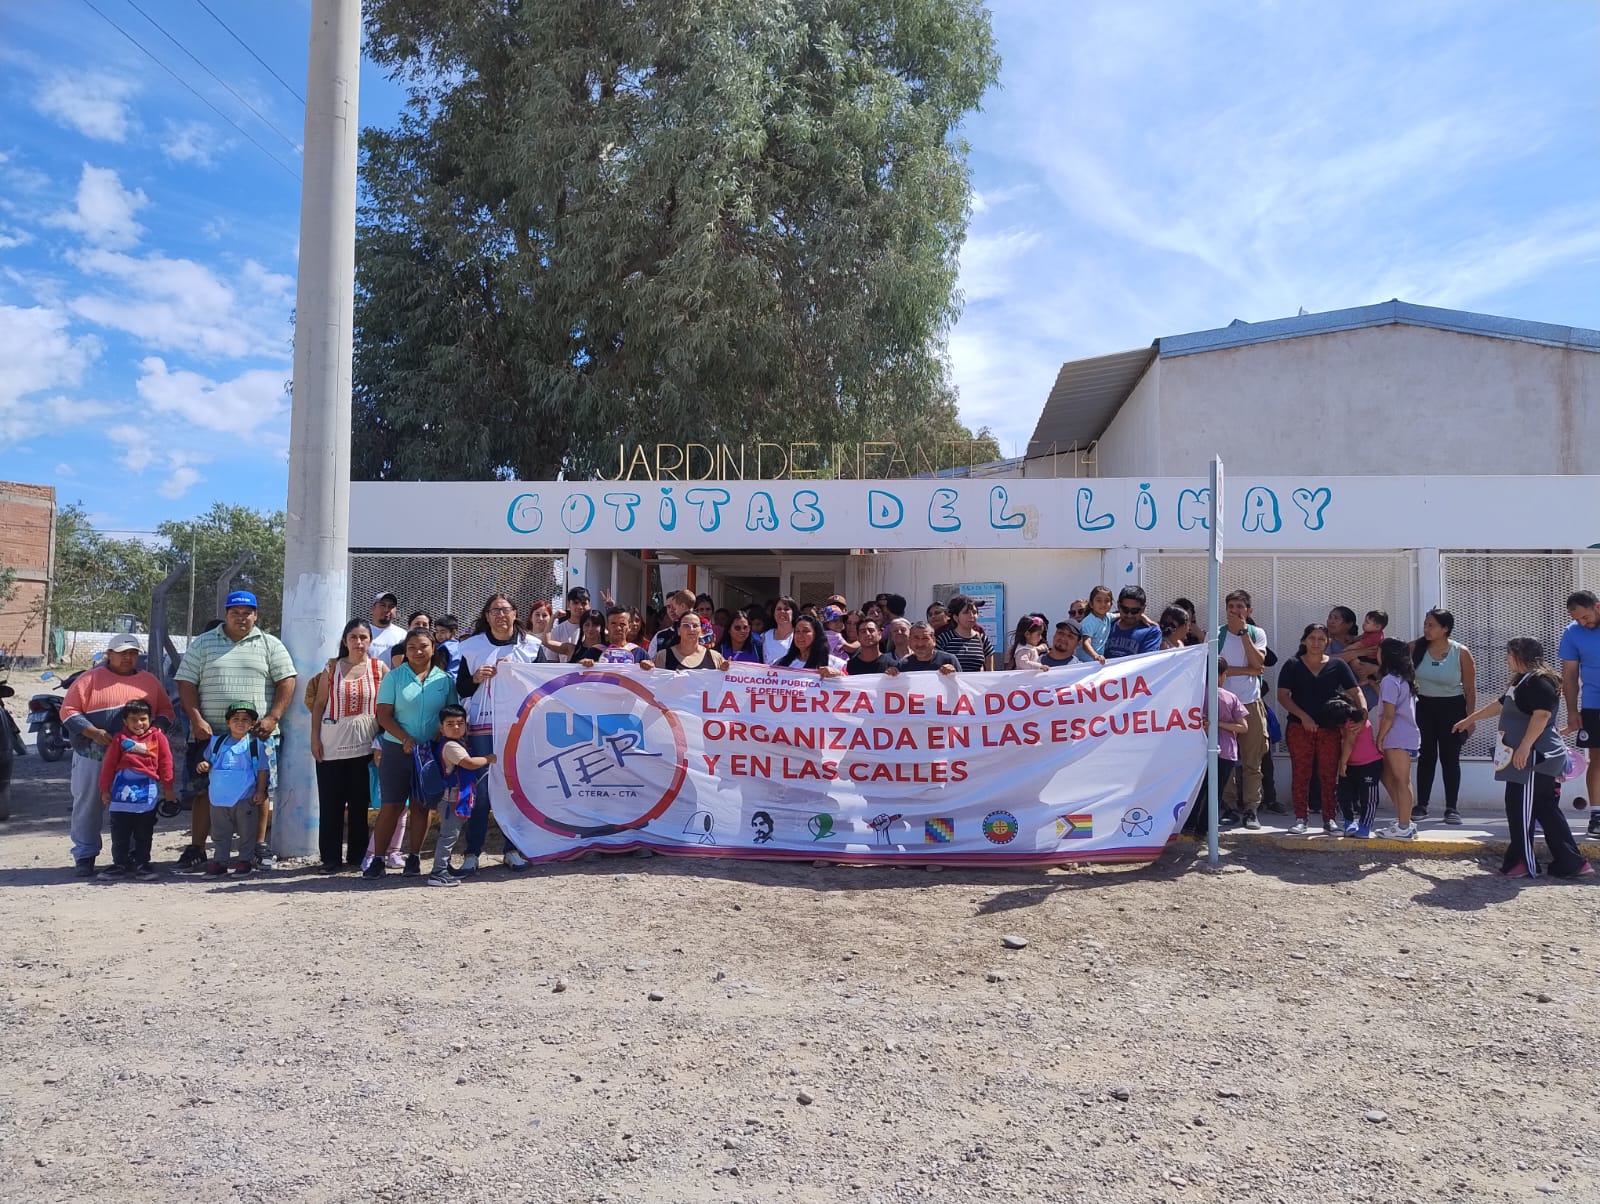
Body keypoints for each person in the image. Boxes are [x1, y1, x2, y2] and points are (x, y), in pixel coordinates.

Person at [174, 590, 296, 871]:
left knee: (259, 790)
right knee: (204, 790)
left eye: (247, 613)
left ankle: (257, 846)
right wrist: (195, 719)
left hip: (257, 738)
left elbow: (287, 680)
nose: (241, 618)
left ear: (256, 615)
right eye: (235, 613)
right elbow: (186, 682)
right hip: (211, 735)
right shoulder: (204, 643)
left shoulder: (270, 644)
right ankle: (197, 848)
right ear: (226, 614)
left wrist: (273, 717)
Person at [1458, 638, 1590, 878]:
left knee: (1521, 809)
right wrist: (1470, 719)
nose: (1506, 659)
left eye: (1509, 654)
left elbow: (1541, 715)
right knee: (1544, 808)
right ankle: (1572, 862)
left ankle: (1522, 862)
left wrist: (1524, 747)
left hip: (1534, 759)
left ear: (1521, 655)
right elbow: (1500, 705)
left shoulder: (1538, 682)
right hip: (1533, 758)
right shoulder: (1522, 681)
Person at [59, 633, 176, 877]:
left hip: (136, 760)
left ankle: (131, 856)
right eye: (122, 653)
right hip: (93, 753)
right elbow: (68, 711)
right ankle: (85, 854)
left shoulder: (149, 681)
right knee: (89, 803)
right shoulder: (88, 679)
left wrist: (157, 731)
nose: (128, 658)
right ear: (109, 654)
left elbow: (166, 710)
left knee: (135, 806)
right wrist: (92, 731)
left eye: (133, 653)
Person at [454, 594, 550, 874]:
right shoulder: (471, 647)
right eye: (494, 610)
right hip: (483, 724)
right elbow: (461, 688)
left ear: (515, 613)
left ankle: (512, 849)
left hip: (518, 726)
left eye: (505, 610)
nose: (500, 615)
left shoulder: (531, 646)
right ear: (486, 616)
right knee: (482, 791)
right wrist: (475, 678)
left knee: (514, 788)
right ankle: (472, 852)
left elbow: (545, 685)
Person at [368, 627, 458, 880]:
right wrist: (405, 738)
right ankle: (377, 859)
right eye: (411, 647)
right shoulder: (394, 678)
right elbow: (383, 715)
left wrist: (438, 742)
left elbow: (450, 716)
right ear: (405, 651)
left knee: (422, 806)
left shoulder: (444, 680)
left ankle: (415, 858)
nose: (418, 652)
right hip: (397, 749)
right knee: (391, 806)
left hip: (429, 753)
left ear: (433, 648)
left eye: (423, 647)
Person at [307, 618, 386, 873]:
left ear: (370, 641)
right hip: (331, 745)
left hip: (364, 747)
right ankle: (330, 858)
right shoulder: (332, 668)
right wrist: (314, 737)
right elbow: (319, 705)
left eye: (363, 637)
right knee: (331, 804)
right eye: (353, 637)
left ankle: (356, 857)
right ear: (345, 641)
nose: (359, 642)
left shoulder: (379, 668)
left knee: (359, 805)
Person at [1276, 623, 1364, 835]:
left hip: (1330, 729)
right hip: (1299, 728)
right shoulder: (1293, 664)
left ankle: (1330, 818)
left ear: (1328, 642)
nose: (1316, 643)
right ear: (1304, 640)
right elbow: (1282, 696)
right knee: (1301, 773)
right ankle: (1300, 817)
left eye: (1321, 639)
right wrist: (1303, 716)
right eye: (1312, 638)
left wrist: (1363, 713)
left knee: (1328, 774)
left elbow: (1356, 691)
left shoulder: (1337, 665)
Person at [96, 698, 175, 879]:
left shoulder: (158, 738)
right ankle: (120, 864)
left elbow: (166, 763)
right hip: (121, 794)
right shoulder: (119, 739)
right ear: (125, 721)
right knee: (120, 831)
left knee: (143, 831)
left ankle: (142, 864)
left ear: (150, 719)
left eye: (143, 719)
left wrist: (168, 789)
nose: (139, 723)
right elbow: (108, 765)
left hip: (146, 793)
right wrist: (104, 789)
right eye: (133, 719)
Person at [1410, 608, 1476, 825]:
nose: (1427, 629)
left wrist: (1470, 718)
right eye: (1426, 624)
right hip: (1423, 707)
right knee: (1426, 756)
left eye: (1432, 625)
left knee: (1450, 758)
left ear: (1445, 629)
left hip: (1452, 708)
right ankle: (1421, 805)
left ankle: (1452, 808)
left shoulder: (1461, 652)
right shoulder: (1415, 648)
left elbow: (1469, 687)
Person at [422, 704, 496, 887]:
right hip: (450, 800)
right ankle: (438, 873)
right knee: (448, 836)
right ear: (441, 727)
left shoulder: (453, 743)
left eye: (460, 723)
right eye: (450, 724)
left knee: (450, 835)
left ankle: (443, 866)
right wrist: (489, 759)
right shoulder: (451, 747)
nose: (456, 727)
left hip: (454, 798)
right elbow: (469, 763)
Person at [195, 701, 270, 875]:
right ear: (227, 722)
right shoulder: (217, 743)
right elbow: (208, 760)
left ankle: (245, 860)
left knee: (247, 832)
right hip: (219, 798)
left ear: (252, 724)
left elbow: (262, 770)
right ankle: (220, 861)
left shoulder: (255, 745)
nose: (240, 722)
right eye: (235, 718)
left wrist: (260, 791)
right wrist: (204, 765)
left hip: (244, 797)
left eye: (246, 719)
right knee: (220, 832)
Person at [1217, 589, 1270, 827]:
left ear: (1249, 611)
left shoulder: (1256, 633)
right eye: (1231, 607)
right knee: (1225, 758)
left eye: (1240, 607)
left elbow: (1259, 663)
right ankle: (1228, 806)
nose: (1235, 612)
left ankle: (1251, 809)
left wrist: (1243, 634)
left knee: (1252, 760)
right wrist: (1246, 670)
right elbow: (1215, 669)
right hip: (1223, 704)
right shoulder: (1216, 634)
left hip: (1250, 703)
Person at [1559, 590, 1600, 837]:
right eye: (1578, 620)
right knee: (1597, 759)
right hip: (1594, 704)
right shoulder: (1572, 632)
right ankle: (1597, 815)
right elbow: (1570, 676)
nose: (1583, 623)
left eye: (1585, 617)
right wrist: (1572, 711)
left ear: (1597, 606)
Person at [1187, 663, 1247, 833]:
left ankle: (1189, 824)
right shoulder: (1229, 697)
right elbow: (1243, 727)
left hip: (1199, 749)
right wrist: (1222, 724)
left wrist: (1214, 723)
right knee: (1215, 791)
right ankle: (1203, 828)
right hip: (1226, 750)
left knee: (1198, 789)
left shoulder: (1195, 696)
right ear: (1223, 675)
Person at [1373, 638, 1422, 840]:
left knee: (1402, 781)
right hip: (1403, 735)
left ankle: (1404, 826)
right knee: (1388, 776)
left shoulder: (1390, 680)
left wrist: (1380, 737)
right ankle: (1404, 819)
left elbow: (1389, 715)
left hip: (1397, 735)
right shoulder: (1401, 680)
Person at [1328, 695, 1382, 837]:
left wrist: (1343, 763)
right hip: (1352, 765)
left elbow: (1349, 743)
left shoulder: (1353, 723)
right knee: (1344, 795)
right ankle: (1349, 822)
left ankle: (1365, 826)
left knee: (1368, 798)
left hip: (1368, 764)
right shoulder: (1353, 719)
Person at [937, 594, 996, 671]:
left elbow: (990, 672)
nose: (971, 616)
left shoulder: (982, 639)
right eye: (966, 612)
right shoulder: (944, 639)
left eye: (974, 612)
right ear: (956, 617)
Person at [1103, 587, 1161, 660]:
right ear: (1118, 606)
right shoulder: (1106, 624)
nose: (1129, 615)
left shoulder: (1151, 631)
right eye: (1125, 609)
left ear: (1143, 608)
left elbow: (1146, 662)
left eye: (1135, 610)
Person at [580, 607, 651, 666]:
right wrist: (582, 664)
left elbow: (651, 679)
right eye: (613, 624)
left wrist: (649, 667)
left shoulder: (640, 653)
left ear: (629, 627)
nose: (618, 628)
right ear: (607, 626)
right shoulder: (594, 651)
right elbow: (577, 674)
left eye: (622, 624)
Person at [776, 615, 844, 676]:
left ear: (816, 635)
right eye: (797, 631)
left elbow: (849, 685)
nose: (800, 635)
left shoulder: (835, 664)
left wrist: (839, 674)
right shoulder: (781, 663)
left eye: (805, 631)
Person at [659, 613, 727, 670]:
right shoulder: (662, 657)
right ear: (678, 631)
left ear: (701, 631)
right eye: (686, 625)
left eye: (695, 626)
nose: (691, 629)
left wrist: (725, 670)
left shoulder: (715, 658)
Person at [888, 621, 959, 675]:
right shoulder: (903, 665)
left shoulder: (949, 660)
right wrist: (890, 676)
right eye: (916, 638)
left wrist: (953, 674)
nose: (920, 643)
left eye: (925, 638)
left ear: (933, 640)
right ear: (909, 640)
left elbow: (962, 687)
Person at [653, 589, 699, 658]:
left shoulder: (702, 625)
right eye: (668, 607)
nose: (672, 610)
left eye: (674, 607)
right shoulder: (659, 636)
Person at [547, 586, 591, 658]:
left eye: (583, 603)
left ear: (589, 605)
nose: (580, 607)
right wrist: (553, 618)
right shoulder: (557, 631)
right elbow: (552, 661)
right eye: (575, 603)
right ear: (568, 604)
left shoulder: (596, 628)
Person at [1077, 587, 1115, 663]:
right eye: (1099, 601)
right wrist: (1095, 656)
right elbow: (1086, 643)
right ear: (1091, 604)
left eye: (1107, 601)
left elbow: (1121, 615)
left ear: (1111, 605)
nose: (1103, 604)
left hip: (1097, 662)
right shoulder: (1089, 622)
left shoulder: (1108, 616)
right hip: (1084, 663)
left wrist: (1142, 616)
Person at [367, 591, 405, 664]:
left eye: (391, 606)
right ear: (372, 609)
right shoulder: (362, 632)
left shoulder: (402, 635)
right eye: (382, 605)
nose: (386, 610)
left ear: (395, 612)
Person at [760, 596, 799, 665]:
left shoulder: (799, 635)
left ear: (793, 614)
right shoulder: (764, 636)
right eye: (779, 609)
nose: (782, 612)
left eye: (786, 609)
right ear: (774, 613)